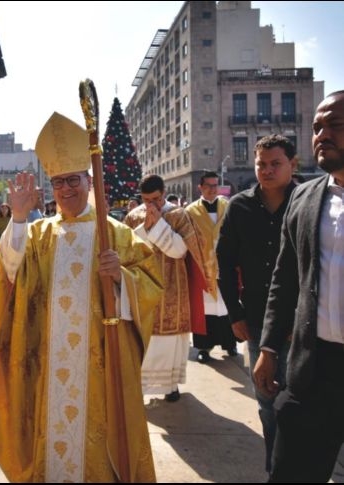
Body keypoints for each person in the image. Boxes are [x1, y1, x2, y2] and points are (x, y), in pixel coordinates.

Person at [0, 113, 163, 482]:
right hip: (47, 361)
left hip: (98, 365)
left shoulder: (116, 234)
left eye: (72, 180)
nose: (65, 189)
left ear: (89, 180)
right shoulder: (37, 234)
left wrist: (121, 279)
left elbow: (152, 287)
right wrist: (17, 220)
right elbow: (8, 274)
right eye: (57, 182)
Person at [253, 91, 344, 482]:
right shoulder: (306, 198)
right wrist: (269, 347)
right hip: (313, 369)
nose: (322, 134)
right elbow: (285, 278)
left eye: (335, 125)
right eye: (316, 127)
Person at [216, 134, 298, 474]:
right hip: (257, 319)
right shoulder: (239, 207)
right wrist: (235, 314)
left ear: (293, 165)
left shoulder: (310, 201)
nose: (266, 170)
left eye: (275, 163)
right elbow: (223, 263)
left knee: (302, 401)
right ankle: (275, 468)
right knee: (266, 399)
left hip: (304, 320)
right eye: (261, 164)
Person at [124, 174, 207, 403]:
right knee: (145, 342)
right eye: (146, 200)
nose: (152, 205)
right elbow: (128, 251)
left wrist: (158, 226)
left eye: (156, 199)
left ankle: (170, 386)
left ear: (163, 192)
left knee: (171, 341)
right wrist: (146, 229)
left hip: (173, 288)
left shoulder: (178, 215)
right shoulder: (133, 216)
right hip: (144, 288)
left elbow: (180, 251)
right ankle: (142, 386)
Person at [185, 171, 237, 363]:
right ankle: (204, 347)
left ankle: (230, 343)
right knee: (206, 309)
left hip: (225, 265)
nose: (213, 189)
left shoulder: (228, 205)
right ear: (200, 187)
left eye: (215, 185)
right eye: (209, 186)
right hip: (202, 267)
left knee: (227, 305)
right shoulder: (190, 211)